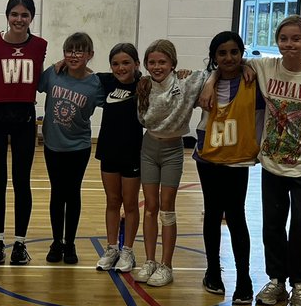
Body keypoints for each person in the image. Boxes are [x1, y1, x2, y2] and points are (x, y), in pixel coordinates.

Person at [228, 15, 301, 306]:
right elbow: (228, 62)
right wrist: (211, 81)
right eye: (284, 38)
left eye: (296, 39)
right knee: (272, 225)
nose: (289, 44)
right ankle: (276, 280)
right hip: (273, 163)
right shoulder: (265, 67)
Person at [0, 0, 48, 266]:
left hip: (25, 118)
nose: (19, 19)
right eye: (15, 14)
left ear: (31, 18)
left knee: (22, 182)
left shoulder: (40, 45)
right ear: (7, 16)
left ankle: (20, 243)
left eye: (25, 15)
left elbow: (44, 78)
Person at [134, 39, 207, 287]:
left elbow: (215, 71)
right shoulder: (143, 85)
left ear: (173, 63)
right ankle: (150, 261)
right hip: (149, 148)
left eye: (162, 62)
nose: (157, 67)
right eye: (152, 62)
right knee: (150, 206)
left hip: (173, 150)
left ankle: (167, 265)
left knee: (167, 207)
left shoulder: (186, 82)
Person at [193, 31, 258, 305]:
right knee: (212, 213)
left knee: (236, 215)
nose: (229, 57)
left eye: (234, 52)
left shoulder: (254, 79)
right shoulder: (203, 82)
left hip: (237, 157)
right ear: (214, 57)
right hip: (208, 157)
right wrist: (210, 78)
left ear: (242, 53)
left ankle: (244, 277)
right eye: (222, 53)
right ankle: (212, 271)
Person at [38, 32, 104, 264]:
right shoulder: (53, 75)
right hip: (53, 145)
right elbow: (33, 84)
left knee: (72, 193)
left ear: (89, 55)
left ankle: (70, 242)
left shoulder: (96, 84)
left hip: (79, 147)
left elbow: (120, 97)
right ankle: (56, 242)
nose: (74, 55)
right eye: (69, 50)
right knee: (57, 193)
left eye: (79, 51)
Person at [94, 43, 143, 274]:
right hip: (109, 150)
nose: (120, 68)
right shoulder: (106, 82)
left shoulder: (144, 85)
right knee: (112, 201)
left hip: (132, 152)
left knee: (130, 204)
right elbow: (82, 72)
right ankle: (112, 248)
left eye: (126, 63)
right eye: (115, 63)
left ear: (136, 64)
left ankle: (128, 250)